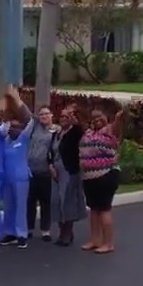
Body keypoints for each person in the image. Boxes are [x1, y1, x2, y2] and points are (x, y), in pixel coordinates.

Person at [0, 85, 41, 249]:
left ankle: (21, 234)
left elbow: (31, 121)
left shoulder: (24, 138)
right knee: (9, 206)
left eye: (16, 126)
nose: (13, 129)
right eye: (11, 127)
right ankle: (10, 233)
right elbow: (1, 126)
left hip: (21, 178)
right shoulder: (4, 141)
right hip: (7, 178)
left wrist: (17, 101)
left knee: (21, 206)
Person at [80, 102, 124, 254]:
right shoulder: (89, 133)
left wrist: (119, 118)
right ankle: (95, 240)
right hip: (89, 177)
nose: (97, 120)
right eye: (94, 118)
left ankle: (108, 243)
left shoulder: (110, 130)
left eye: (100, 117)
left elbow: (118, 125)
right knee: (93, 209)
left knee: (104, 209)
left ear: (107, 118)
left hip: (106, 175)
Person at [52, 103, 88, 246]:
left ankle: (67, 233)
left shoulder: (75, 133)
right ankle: (61, 231)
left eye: (67, 117)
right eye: (62, 116)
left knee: (67, 202)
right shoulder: (56, 133)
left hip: (69, 171)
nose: (63, 119)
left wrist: (76, 122)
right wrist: (50, 166)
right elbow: (50, 152)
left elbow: (81, 130)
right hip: (55, 171)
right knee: (56, 201)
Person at [27, 104, 60, 239]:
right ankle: (29, 228)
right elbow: (25, 112)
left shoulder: (57, 130)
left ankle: (45, 230)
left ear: (52, 115)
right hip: (31, 171)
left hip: (47, 172)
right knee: (30, 202)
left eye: (46, 113)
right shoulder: (34, 127)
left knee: (46, 202)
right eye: (41, 114)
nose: (44, 116)